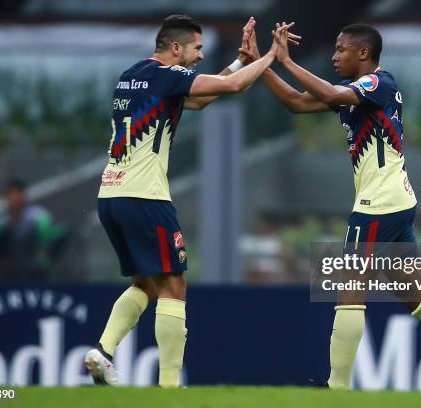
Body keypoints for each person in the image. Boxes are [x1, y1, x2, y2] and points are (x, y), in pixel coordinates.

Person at [242, 22, 421, 391]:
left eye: (341, 49)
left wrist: (286, 60)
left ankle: (336, 389)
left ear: (363, 54)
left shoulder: (378, 83)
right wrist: (263, 64)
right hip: (395, 202)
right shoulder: (356, 92)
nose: (334, 56)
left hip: (378, 205)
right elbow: (298, 103)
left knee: (349, 291)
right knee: (415, 294)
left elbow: (333, 96)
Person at [85, 15, 292, 387]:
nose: (199, 56)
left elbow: (198, 99)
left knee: (146, 285)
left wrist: (242, 61)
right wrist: (272, 57)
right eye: (197, 49)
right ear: (176, 48)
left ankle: (102, 351)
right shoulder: (167, 75)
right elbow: (230, 87)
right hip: (145, 196)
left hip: (112, 195)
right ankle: (169, 386)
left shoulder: (133, 75)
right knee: (174, 285)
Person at [0, 179, 66, 280]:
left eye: (17, 193)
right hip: (7, 275)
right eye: (10, 194)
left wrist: (47, 257)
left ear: (24, 196)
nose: (14, 198)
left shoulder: (39, 217)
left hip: (36, 273)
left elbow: (61, 232)